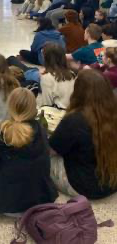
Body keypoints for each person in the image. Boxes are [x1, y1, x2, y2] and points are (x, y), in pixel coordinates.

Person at [49, 70, 117, 199]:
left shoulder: (74, 120)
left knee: (41, 155)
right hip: (112, 181)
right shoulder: (113, 111)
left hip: (84, 187)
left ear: (78, 92)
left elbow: (52, 150)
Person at [8, 43, 75, 110]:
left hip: (55, 112)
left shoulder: (47, 78)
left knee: (14, 62)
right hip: (68, 109)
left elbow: (46, 105)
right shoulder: (72, 74)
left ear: (46, 59)